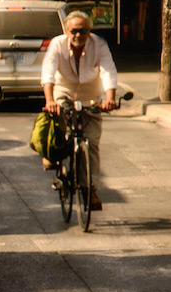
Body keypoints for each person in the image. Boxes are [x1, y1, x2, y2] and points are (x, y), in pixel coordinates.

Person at [40, 11, 120, 209]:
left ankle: (91, 190)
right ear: (67, 31)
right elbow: (48, 73)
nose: (78, 35)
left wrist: (110, 98)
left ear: (89, 31)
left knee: (91, 143)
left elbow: (108, 70)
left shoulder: (98, 44)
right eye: (74, 31)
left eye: (83, 31)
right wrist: (50, 100)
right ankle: (54, 158)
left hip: (90, 97)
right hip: (64, 93)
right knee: (58, 127)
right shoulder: (57, 44)